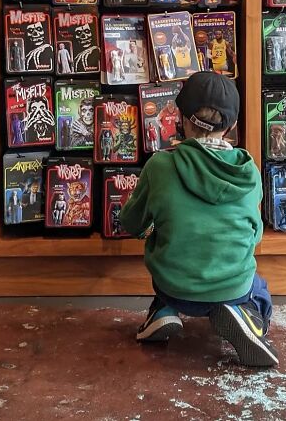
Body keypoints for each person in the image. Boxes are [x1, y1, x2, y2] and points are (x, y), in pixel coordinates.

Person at [119, 71, 277, 367]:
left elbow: (132, 223)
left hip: (174, 285)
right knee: (259, 287)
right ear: (231, 126)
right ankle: (250, 318)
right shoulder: (249, 172)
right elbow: (254, 236)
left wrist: (153, 225)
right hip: (231, 288)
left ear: (181, 118)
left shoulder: (159, 167)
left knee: (170, 251)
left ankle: (163, 310)